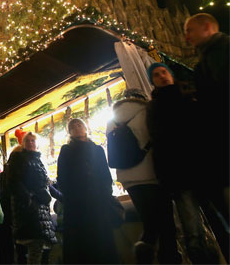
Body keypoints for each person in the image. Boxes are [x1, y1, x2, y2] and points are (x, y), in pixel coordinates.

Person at [146, 62, 218, 263]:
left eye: (164, 72)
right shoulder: (154, 107)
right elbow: (159, 141)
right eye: (157, 75)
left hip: (205, 168)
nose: (162, 76)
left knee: (217, 217)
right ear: (153, 81)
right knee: (192, 226)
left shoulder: (189, 94)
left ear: (170, 74)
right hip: (179, 175)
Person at [107, 88, 180, 264]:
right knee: (165, 223)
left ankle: (144, 251)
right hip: (151, 174)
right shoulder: (147, 111)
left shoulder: (112, 119)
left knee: (149, 222)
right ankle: (168, 258)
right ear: (141, 97)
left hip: (128, 179)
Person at [184, 13, 229, 261]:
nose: (186, 37)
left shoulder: (220, 52)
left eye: (190, 30)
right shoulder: (206, 59)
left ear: (208, 27)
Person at [57, 118, 118, 264]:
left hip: (98, 202)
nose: (77, 127)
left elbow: (106, 176)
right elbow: (62, 177)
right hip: (77, 205)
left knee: (101, 240)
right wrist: (71, 197)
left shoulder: (97, 149)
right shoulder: (66, 150)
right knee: (81, 243)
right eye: (73, 126)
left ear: (85, 128)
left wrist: (105, 194)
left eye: (79, 125)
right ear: (69, 132)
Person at [8, 132, 57, 264]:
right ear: (23, 144)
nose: (30, 143)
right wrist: (30, 201)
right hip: (31, 212)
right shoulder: (19, 159)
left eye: (33, 140)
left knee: (40, 249)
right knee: (35, 248)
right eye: (28, 141)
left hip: (41, 210)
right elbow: (14, 183)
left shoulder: (38, 161)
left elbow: (45, 184)